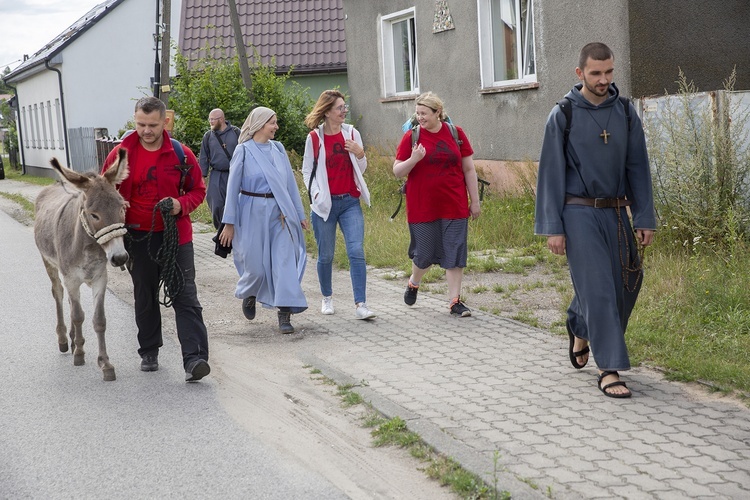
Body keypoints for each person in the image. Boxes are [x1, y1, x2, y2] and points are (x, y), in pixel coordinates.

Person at [534, 42, 656, 398]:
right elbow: (551, 175)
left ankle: (578, 322)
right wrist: (553, 227)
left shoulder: (625, 112)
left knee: (627, 284)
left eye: (609, 72)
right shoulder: (563, 114)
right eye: (595, 73)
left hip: (617, 211)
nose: (603, 80)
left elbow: (638, 167)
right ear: (580, 73)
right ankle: (609, 369)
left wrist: (644, 216)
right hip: (578, 212)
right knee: (600, 291)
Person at [101, 96, 211, 382]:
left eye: (152, 125)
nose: (146, 130)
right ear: (134, 120)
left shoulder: (181, 154)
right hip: (137, 236)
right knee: (145, 294)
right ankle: (149, 350)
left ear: (165, 121)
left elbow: (198, 191)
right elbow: (103, 194)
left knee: (185, 294)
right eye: (140, 124)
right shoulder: (120, 155)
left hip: (177, 236)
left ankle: (195, 359)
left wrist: (179, 205)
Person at [219, 107, 308, 334]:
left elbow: (289, 186)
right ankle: (250, 293)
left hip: (280, 213)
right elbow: (232, 188)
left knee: (284, 263)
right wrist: (229, 222)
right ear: (259, 124)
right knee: (255, 267)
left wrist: (299, 215)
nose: (276, 127)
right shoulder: (244, 151)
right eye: (273, 123)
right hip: (251, 211)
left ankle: (285, 313)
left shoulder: (278, 150)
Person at [393, 91, 481, 317]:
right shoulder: (412, 137)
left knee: (455, 252)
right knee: (424, 254)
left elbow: (469, 169)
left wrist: (475, 201)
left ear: (437, 112)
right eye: (417, 113)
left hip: (454, 204)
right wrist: (414, 159)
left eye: (424, 113)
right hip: (423, 206)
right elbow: (397, 171)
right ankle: (414, 282)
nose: (420, 117)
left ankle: (454, 301)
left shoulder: (455, 133)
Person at [302, 90, 377, 320]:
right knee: (326, 255)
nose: (344, 111)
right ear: (327, 112)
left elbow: (360, 169)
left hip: (349, 202)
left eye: (344, 107)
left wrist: (360, 153)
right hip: (325, 206)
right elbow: (307, 171)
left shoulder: (352, 132)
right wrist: (315, 194)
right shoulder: (314, 138)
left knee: (356, 251)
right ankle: (327, 297)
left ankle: (360, 304)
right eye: (339, 108)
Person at [199, 108, 241, 230]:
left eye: (213, 119)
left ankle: (234, 230)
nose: (211, 122)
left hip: (234, 174)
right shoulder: (208, 136)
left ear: (221, 119)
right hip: (216, 175)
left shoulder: (236, 132)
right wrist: (202, 176)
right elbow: (203, 156)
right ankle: (220, 230)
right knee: (216, 203)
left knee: (234, 203)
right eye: (209, 119)